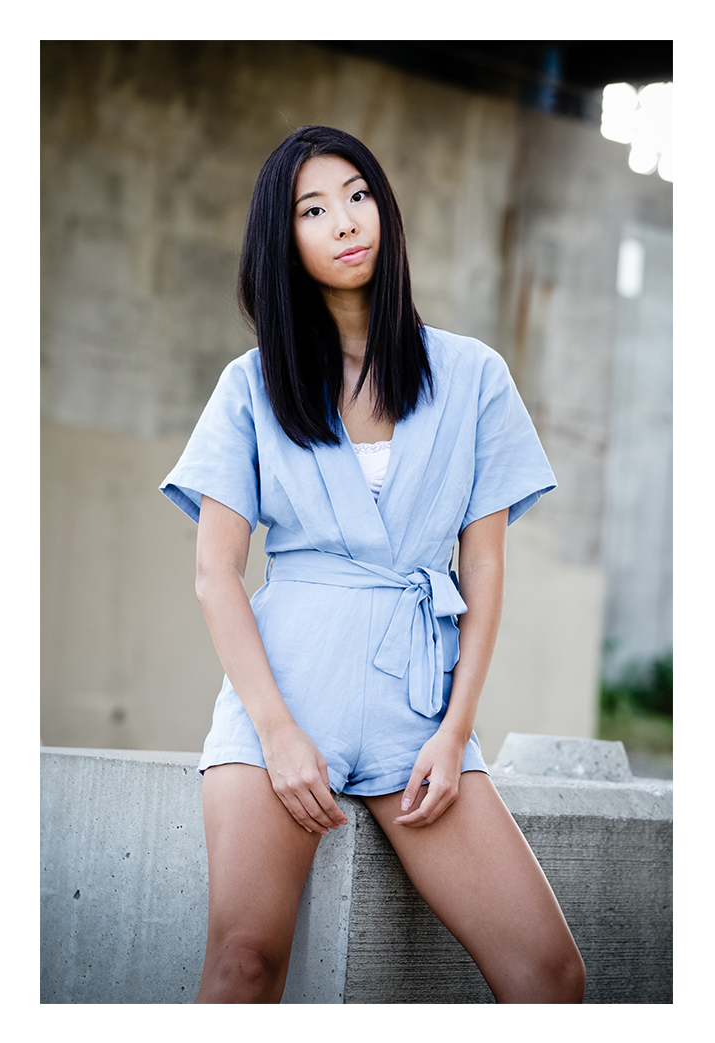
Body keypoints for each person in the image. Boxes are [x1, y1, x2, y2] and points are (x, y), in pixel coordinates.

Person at [160, 125, 586, 1005]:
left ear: (383, 208)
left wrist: (453, 730)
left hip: (416, 707)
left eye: (357, 194)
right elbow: (216, 572)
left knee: (549, 975)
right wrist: (277, 734)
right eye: (312, 209)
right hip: (283, 693)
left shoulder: (473, 377)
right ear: (286, 244)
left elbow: (486, 569)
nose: (345, 221)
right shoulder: (250, 384)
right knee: (243, 964)